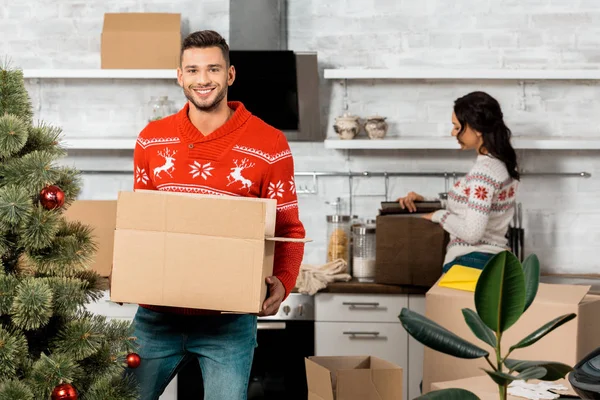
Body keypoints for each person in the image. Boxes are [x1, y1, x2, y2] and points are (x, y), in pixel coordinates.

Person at [126, 30, 306, 400]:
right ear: (179, 76)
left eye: (213, 69)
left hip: (229, 322)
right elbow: (142, 226)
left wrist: (284, 281)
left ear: (230, 75)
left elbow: (289, 228)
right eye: (192, 70)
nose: (203, 79)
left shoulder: (270, 143)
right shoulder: (151, 139)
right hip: (157, 318)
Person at [397, 91, 520, 273]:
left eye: (456, 127)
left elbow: (472, 233)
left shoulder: (483, 174)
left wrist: (439, 215)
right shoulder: (499, 164)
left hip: (471, 262)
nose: (453, 133)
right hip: (494, 262)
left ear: (477, 129)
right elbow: (475, 206)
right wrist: (427, 201)